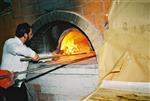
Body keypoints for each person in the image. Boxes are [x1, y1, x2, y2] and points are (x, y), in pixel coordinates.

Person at [0, 22, 39, 101]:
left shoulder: (24, 48)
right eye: (30, 34)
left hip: (19, 84)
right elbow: (16, 49)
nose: (32, 36)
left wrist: (51, 55)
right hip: (9, 84)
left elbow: (36, 56)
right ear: (25, 35)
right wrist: (33, 54)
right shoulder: (10, 42)